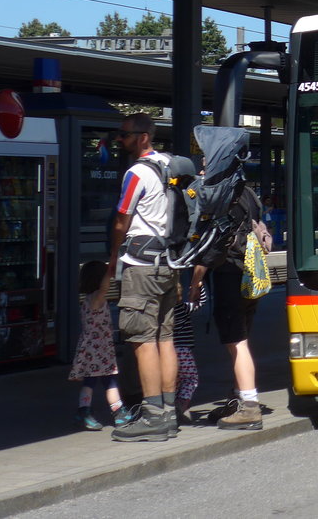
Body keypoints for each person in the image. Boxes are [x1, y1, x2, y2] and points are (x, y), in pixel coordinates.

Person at [190, 125, 271, 432]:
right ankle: (237, 398)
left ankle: (249, 406)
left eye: (207, 157)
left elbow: (213, 244)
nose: (203, 162)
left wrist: (196, 280)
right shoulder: (246, 191)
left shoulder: (222, 194)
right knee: (241, 337)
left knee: (236, 342)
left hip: (229, 274)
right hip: (247, 275)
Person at [108, 113, 180, 443]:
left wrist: (113, 257)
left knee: (142, 340)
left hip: (141, 264)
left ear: (144, 137)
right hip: (168, 263)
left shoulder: (137, 172)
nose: (119, 140)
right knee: (165, 338)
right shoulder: (170, 165)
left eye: (125, 135)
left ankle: (152, 416)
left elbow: (122, 219)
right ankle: (169, 413)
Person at [68, 261, 131, 431]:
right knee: (110, 381)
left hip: (93, 349)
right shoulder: (97, 299)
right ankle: (119, 412)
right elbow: (104, 289)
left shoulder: (88, 300)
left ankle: (83, 412)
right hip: (99, 350)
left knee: (90, 382)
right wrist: (110, 272)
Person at [172, 278, 207, 423]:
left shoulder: (163, 313)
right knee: (190, 379)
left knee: (175, 379)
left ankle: (171, 404)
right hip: (184, 351)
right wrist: (200, 287)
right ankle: (182, 403)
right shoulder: (184, 307)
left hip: (169, 351)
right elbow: (201, 302)